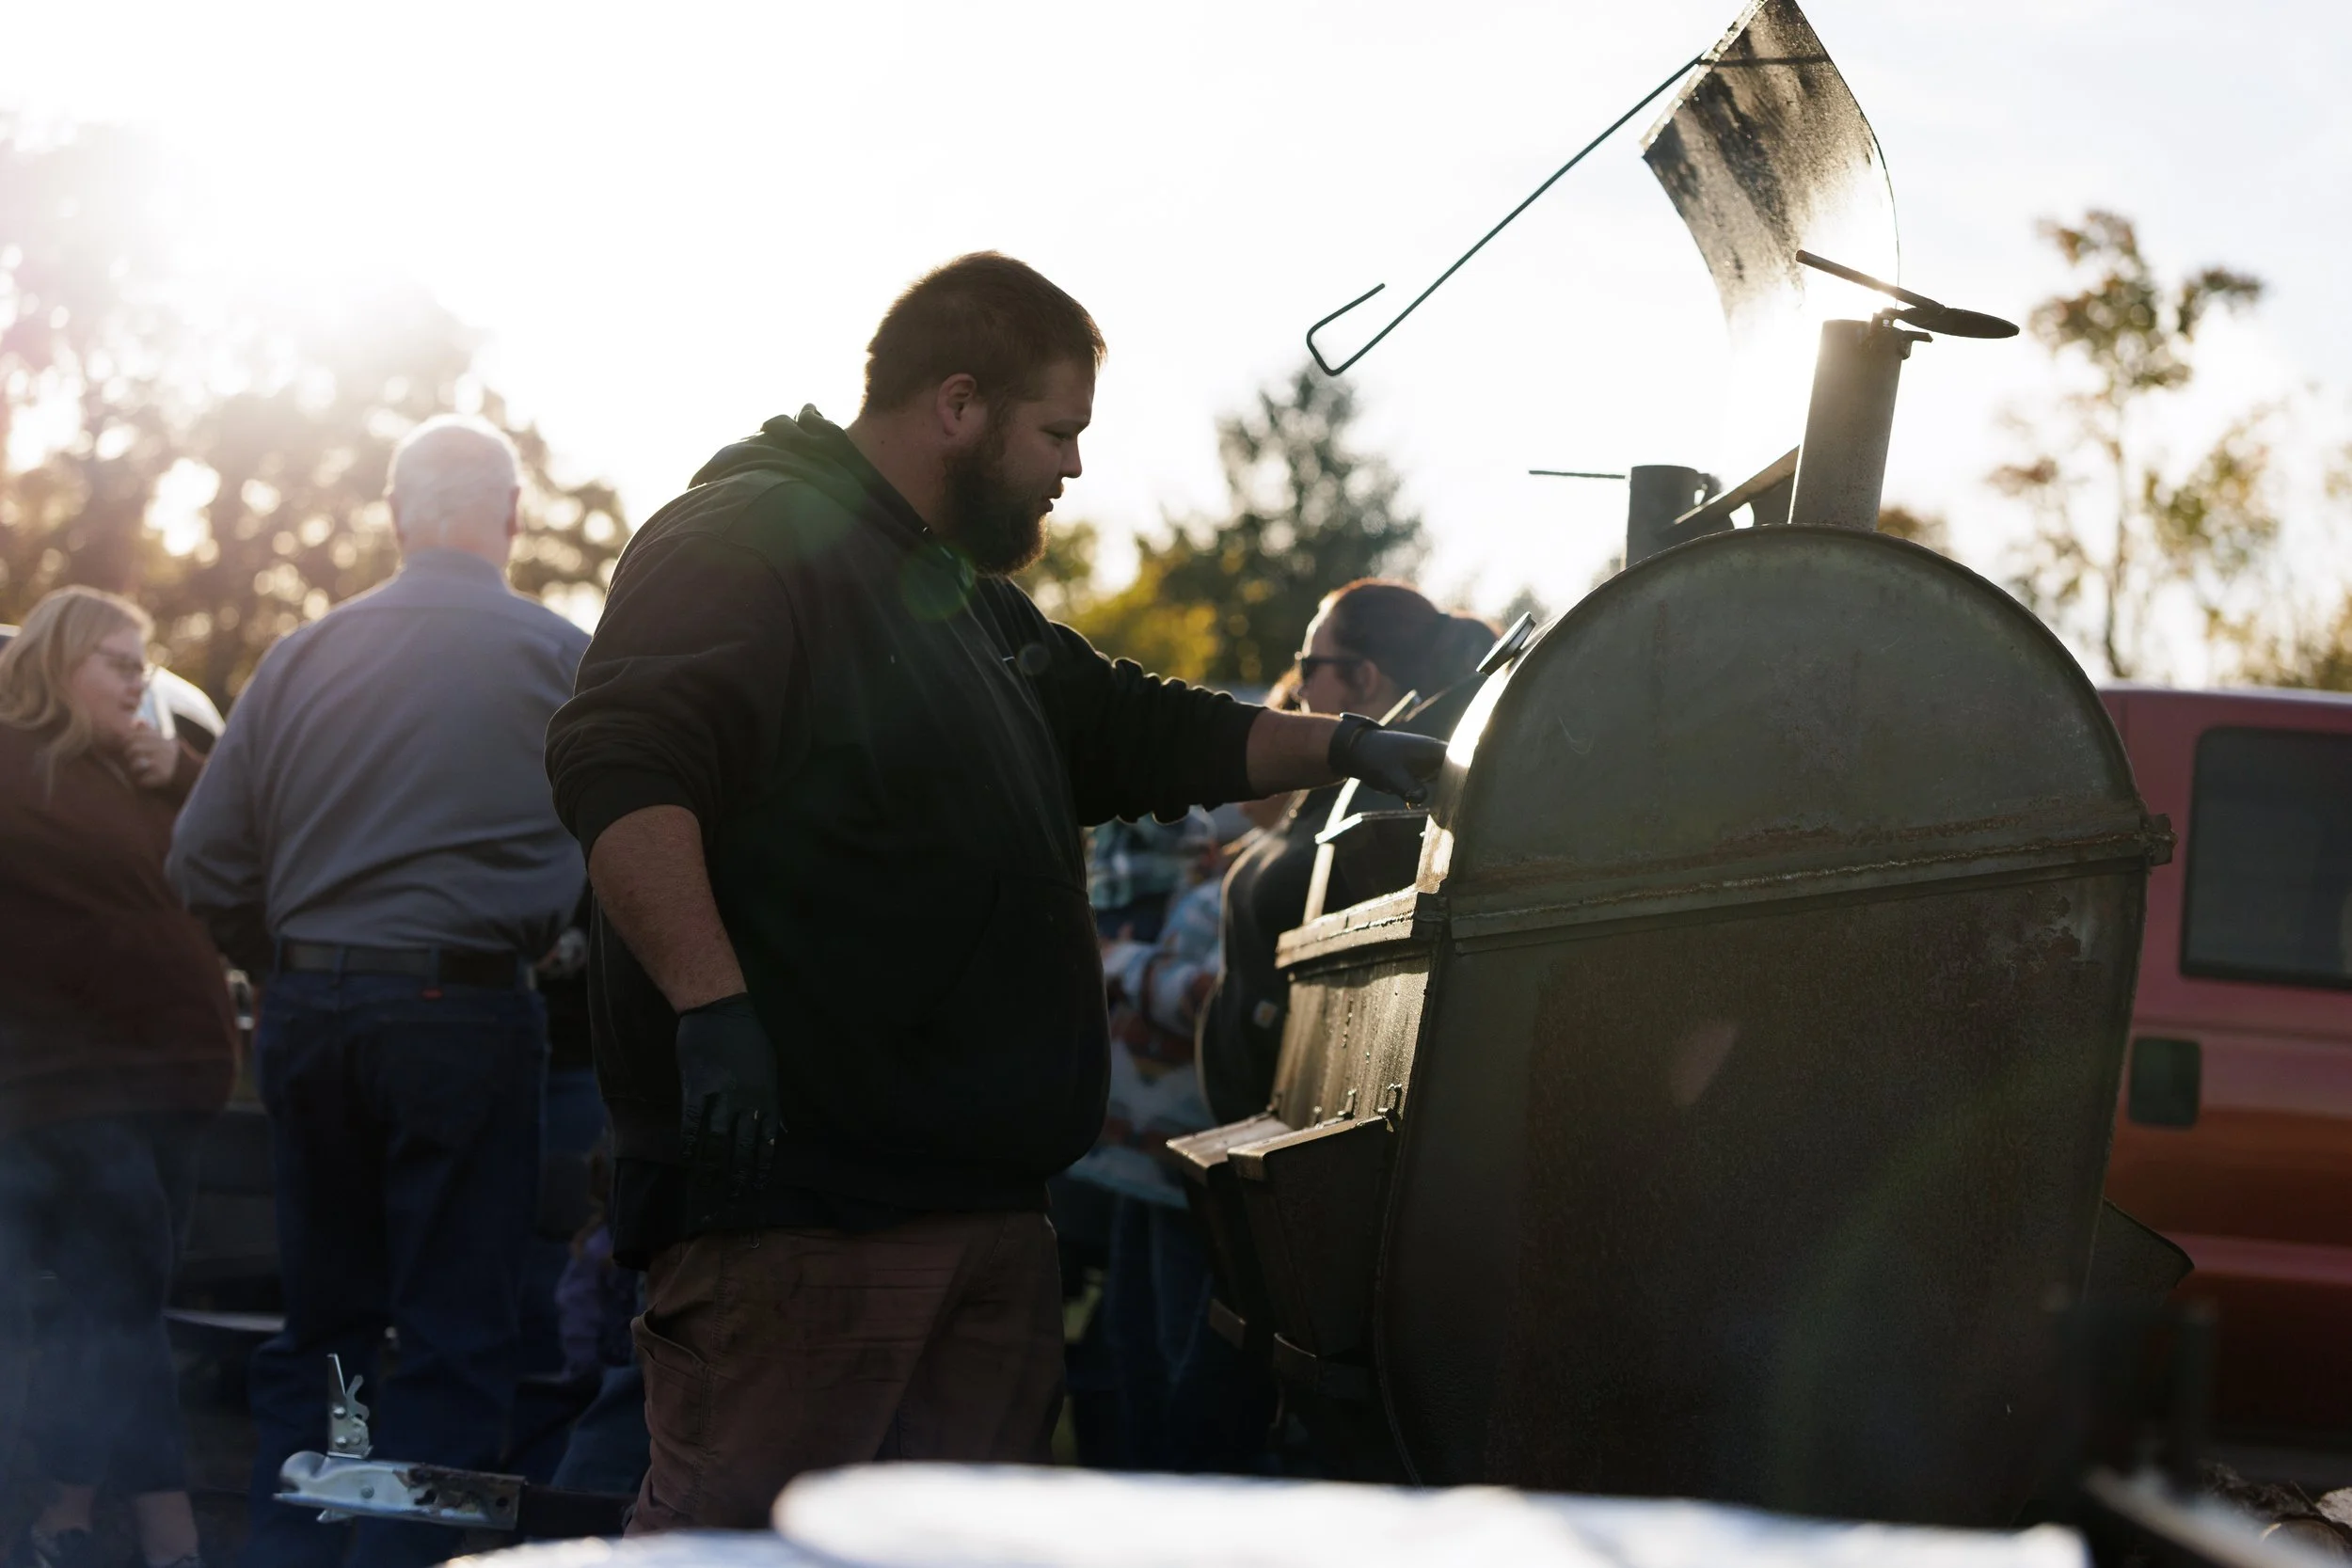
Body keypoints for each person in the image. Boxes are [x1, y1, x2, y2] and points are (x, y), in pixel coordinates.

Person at [542, 251, 1446, 1530]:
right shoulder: (747, 536)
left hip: (982, 1202)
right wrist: (711, 1005)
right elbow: (620, 769)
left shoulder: (964, 602)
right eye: (1057, 430)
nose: (1072, 467)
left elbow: (1136, 726)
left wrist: (1351, 746)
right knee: (746, 1548)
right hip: (810, 1212)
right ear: (957, 404)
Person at [167, 416, 591, 1568]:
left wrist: (303, 951)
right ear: (509, 517)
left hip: (312, 1014)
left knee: (335, 1332)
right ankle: (397, 1556)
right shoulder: (562, 658)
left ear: (398, 514)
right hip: (466, 1018)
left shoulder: (304, 656)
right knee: (456, 1335)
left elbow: (203, 861)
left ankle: (301, 1546)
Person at [0, 588, 235, 1568]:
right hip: (69, 1080)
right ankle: (166, 1533)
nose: (140, 677)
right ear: (54, 663)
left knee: (120, 1303)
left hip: (177, 1077)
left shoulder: (155, 769)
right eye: (116, 659)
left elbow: (240, 844)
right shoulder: (10, 764)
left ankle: (64, 1511)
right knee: (123, 1306)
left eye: (145, 659)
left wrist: (178, 768)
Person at [1199, 581, 1495, 1126]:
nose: (1297, 686)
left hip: (1305, 1133)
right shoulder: (1338, 786)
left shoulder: (1392, 808)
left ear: (1363, 677)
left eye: (1308, 665)